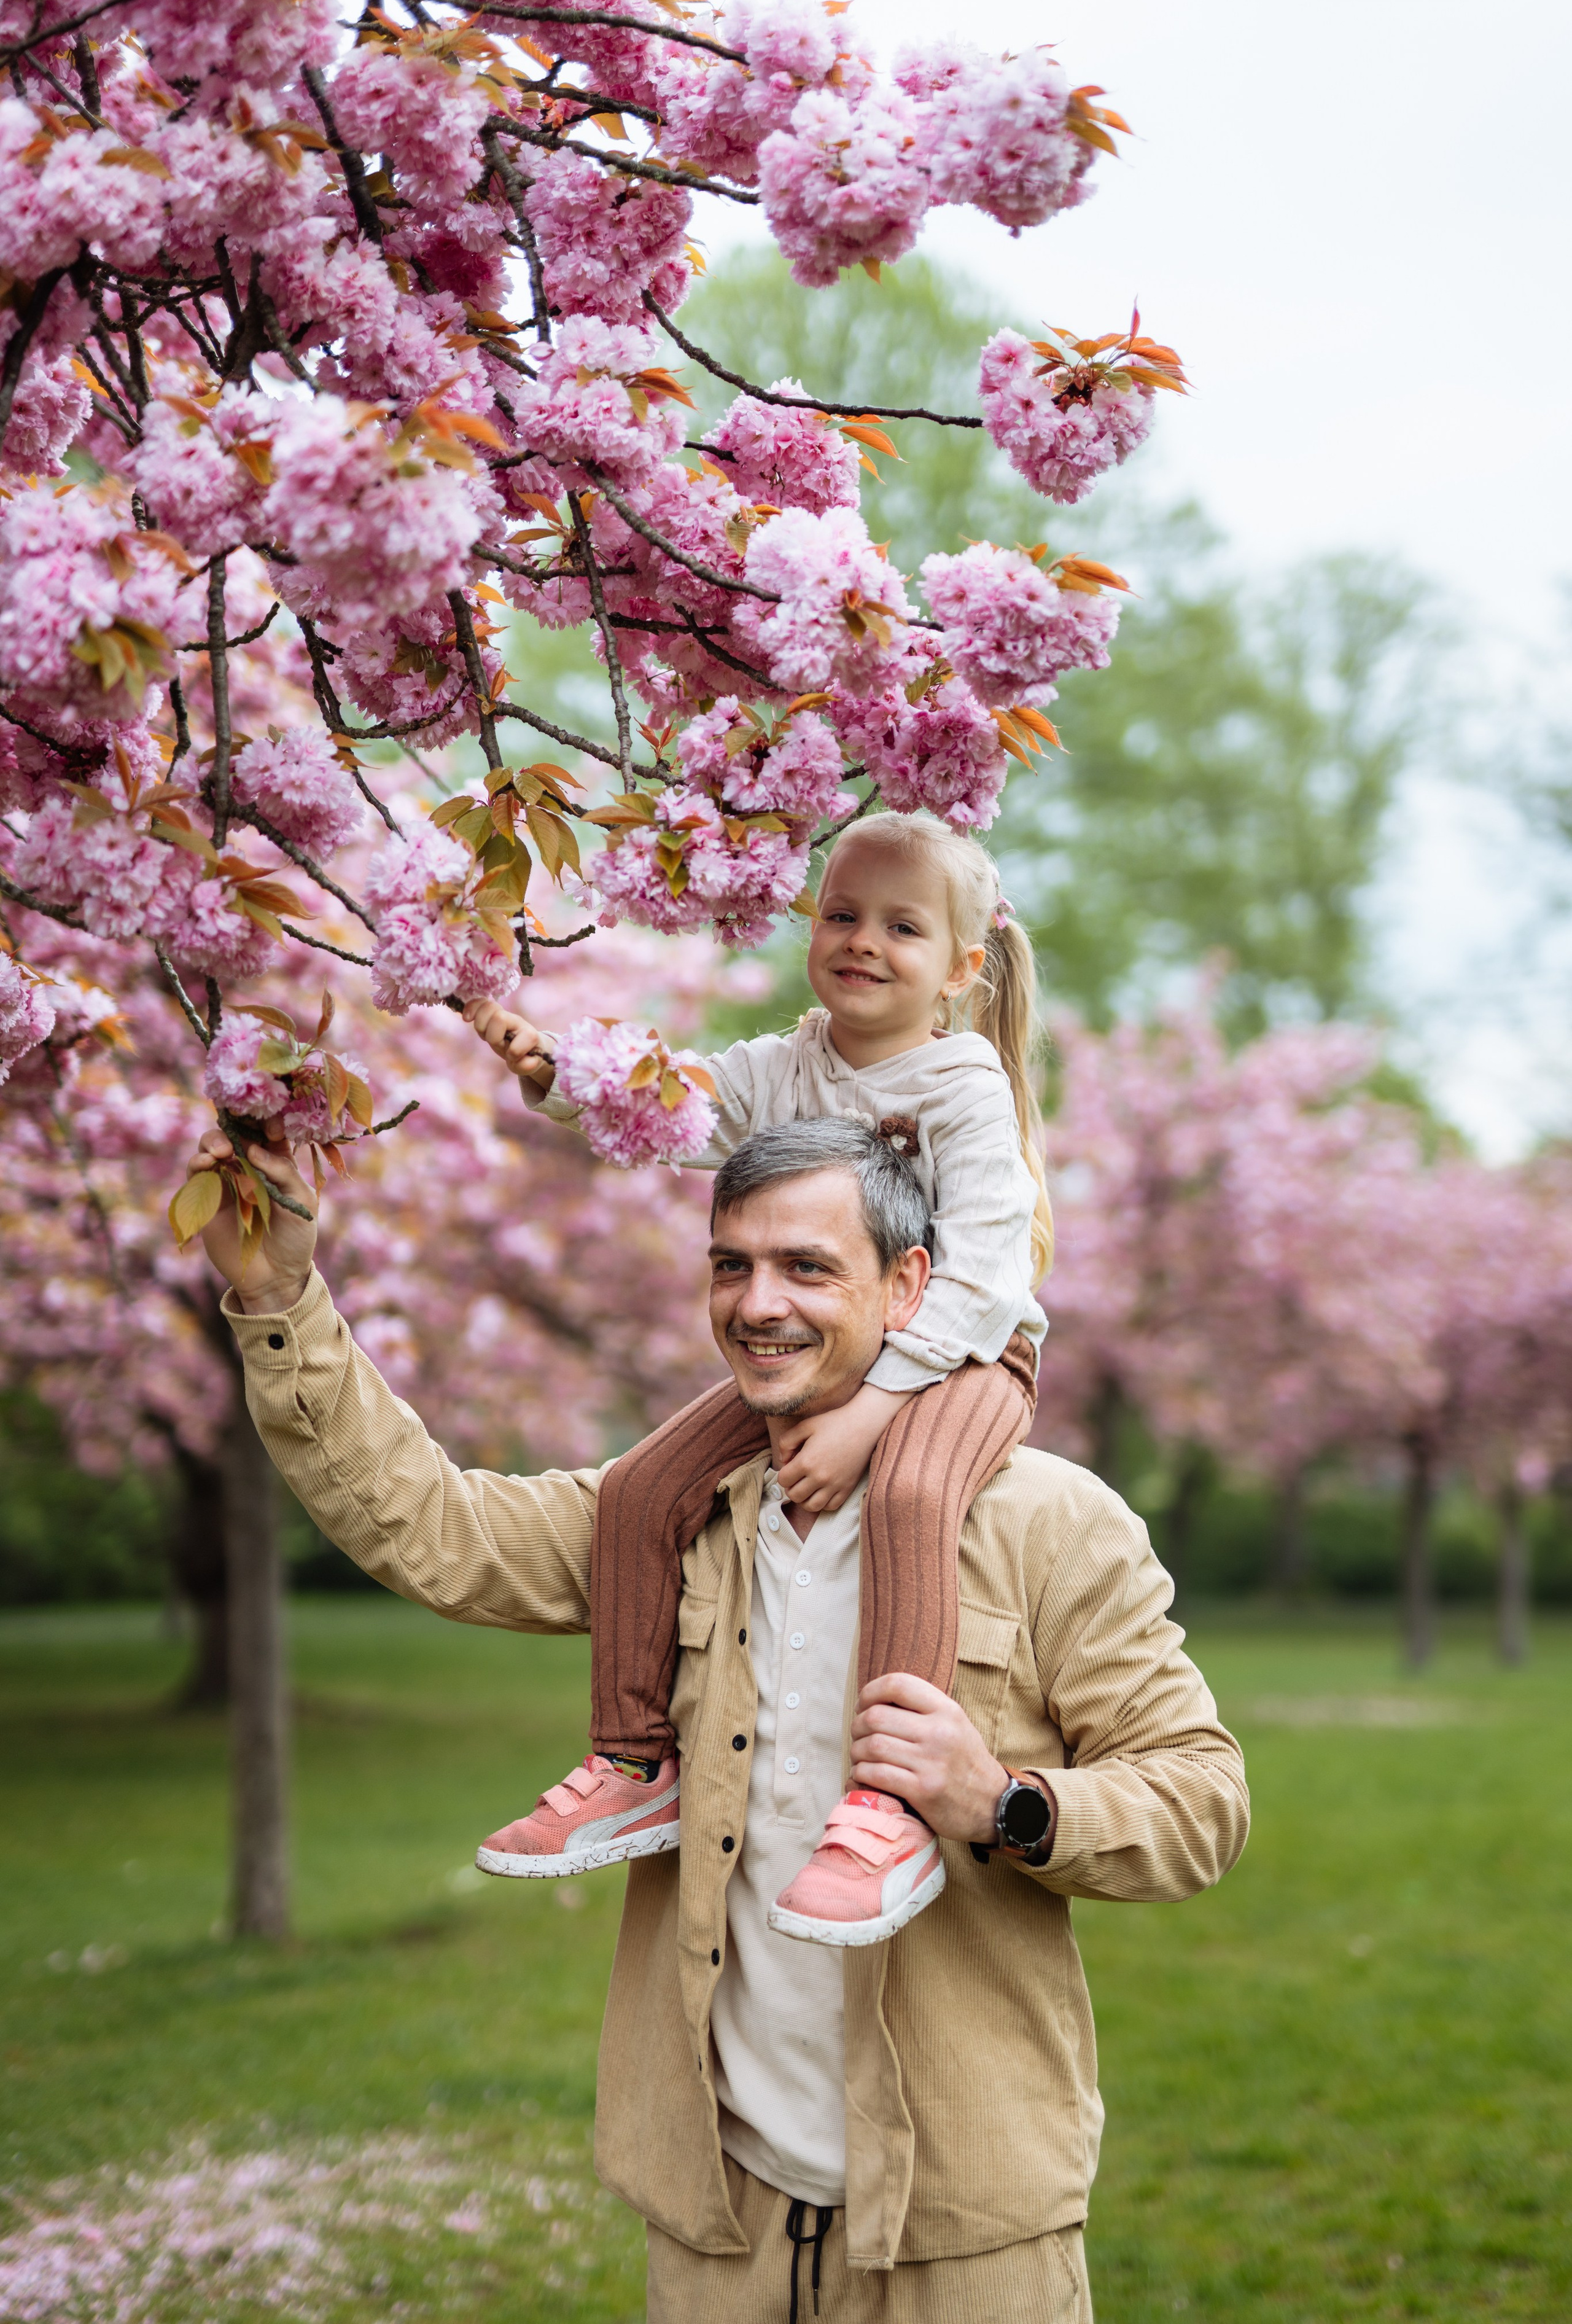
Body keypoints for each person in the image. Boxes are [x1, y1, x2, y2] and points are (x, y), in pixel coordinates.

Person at [187, 1107, 1249, 2323]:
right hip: (717, 2220)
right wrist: (281, 1302)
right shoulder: (668, 1520)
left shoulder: (1050, 1525)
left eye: (806, 1267)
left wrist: (999, 1801)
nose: (758, 1304)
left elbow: (1200, 1799)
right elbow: (431, 1530)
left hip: (959, 2234)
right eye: (730, 1264)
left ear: (908, 1286)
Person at [462, 809, 1053, 1946]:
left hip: (967, 1356)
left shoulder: (962, 1088)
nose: (862, 940)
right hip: (829, 1363)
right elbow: (672, 1107)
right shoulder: (785, 1067)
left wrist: (879, 1413)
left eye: (901, 926)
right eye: (841, 913)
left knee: (914, 1497)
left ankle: (889, 1803)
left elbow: (983, 1276)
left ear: (960, 969)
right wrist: (559, 1074)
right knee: (642, 1492)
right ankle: (636, 1759)